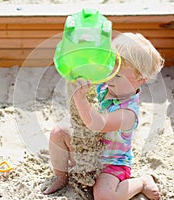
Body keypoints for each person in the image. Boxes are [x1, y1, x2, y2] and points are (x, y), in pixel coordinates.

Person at [43, 32, 164, 200]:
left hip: (111, 163)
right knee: (58, 133)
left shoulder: (127, 113)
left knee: (104, 196)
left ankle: (142, 182)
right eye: (109, 71)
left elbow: (97, 123)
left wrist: (80, 98)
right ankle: (61, 176)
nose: (109, 78)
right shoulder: (108, 85)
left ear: (140, 79)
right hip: (90, 148)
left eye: (118, 75)